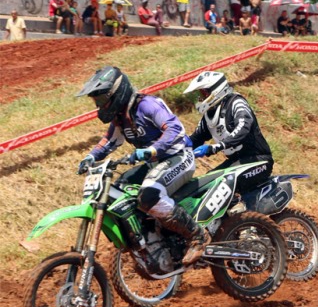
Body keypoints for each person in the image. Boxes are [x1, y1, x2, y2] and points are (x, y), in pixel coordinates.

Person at [76, 66, 209, 265]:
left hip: (179, 157)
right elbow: (109, 142)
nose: (100, 106)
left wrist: (152, 149)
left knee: (149, 195)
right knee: (118, 190)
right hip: (154, 164)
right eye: (97, 102)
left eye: (102, 100)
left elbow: (175, 129)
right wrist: (90, 157)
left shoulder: (147, 105)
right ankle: (154, 239)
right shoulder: (120, 118)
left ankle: (198, 236)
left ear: (117, 94)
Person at [184, 71, 274, 195]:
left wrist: (216, 147)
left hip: (258, 160)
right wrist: (178, 147)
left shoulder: (236, 102)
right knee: (205, 185)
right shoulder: (209, 115)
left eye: (203, 93)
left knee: (222, 186)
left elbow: (243, 127)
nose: (201, 98)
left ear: (215, 91)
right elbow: (196, 138)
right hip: (236, 162)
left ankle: (242, 212)